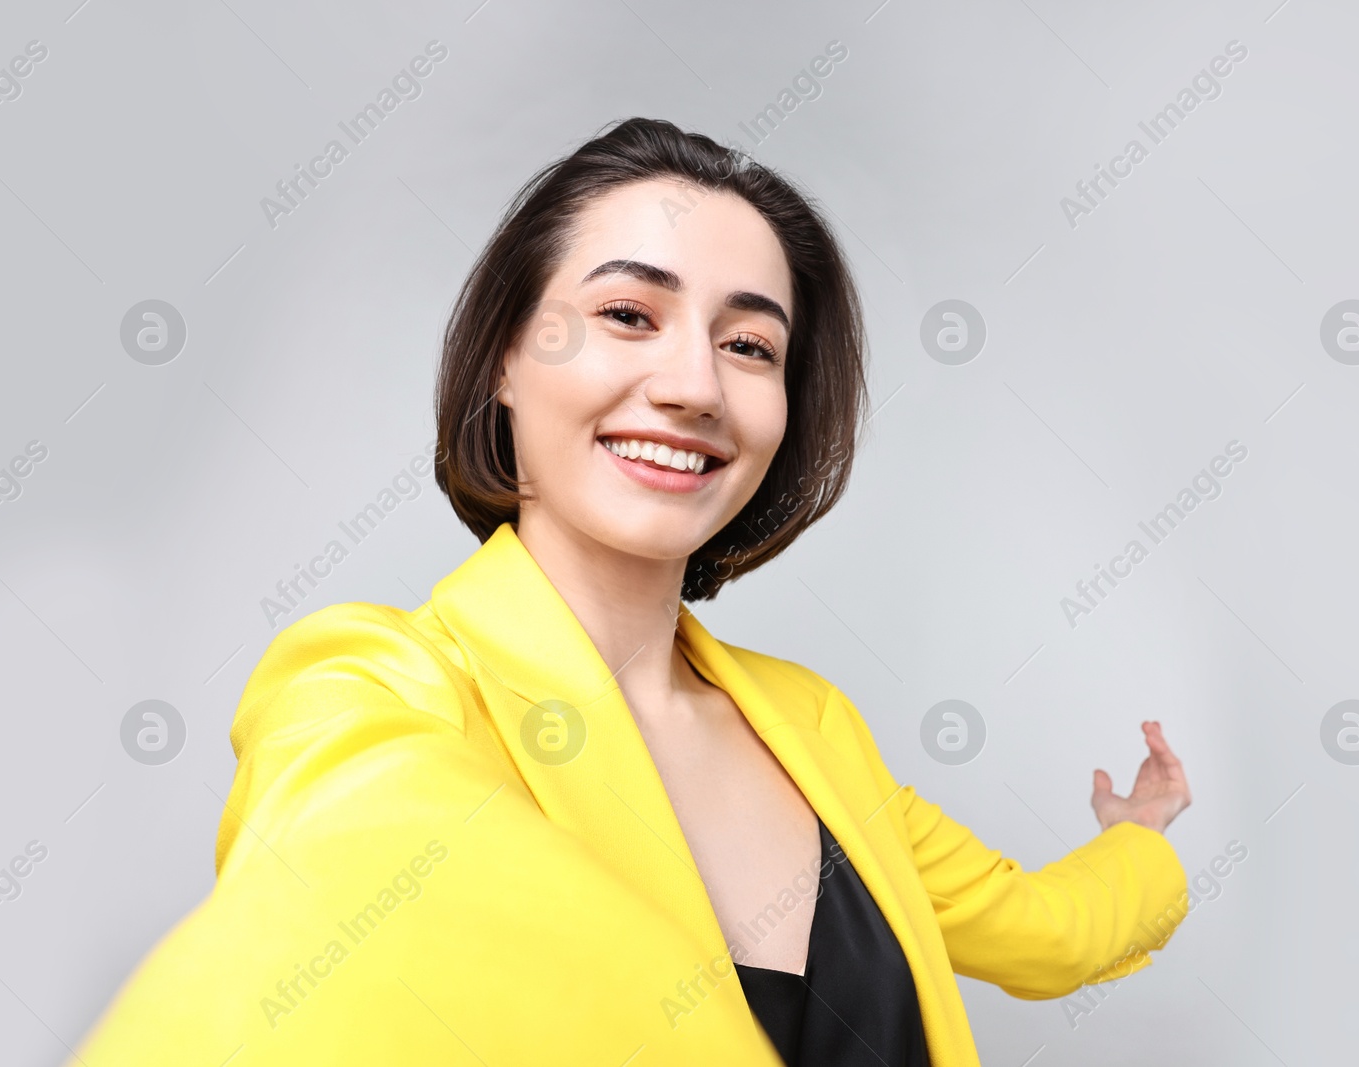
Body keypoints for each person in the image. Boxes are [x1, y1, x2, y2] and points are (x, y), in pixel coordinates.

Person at [76, 117, 1192, 1066]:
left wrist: (1136, 838)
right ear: (508, 358)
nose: (694, 384)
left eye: (750, 344)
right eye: (627, 315)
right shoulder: (375, 683)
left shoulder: (813, 724)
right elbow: (329, 909)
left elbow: (1040, 928)